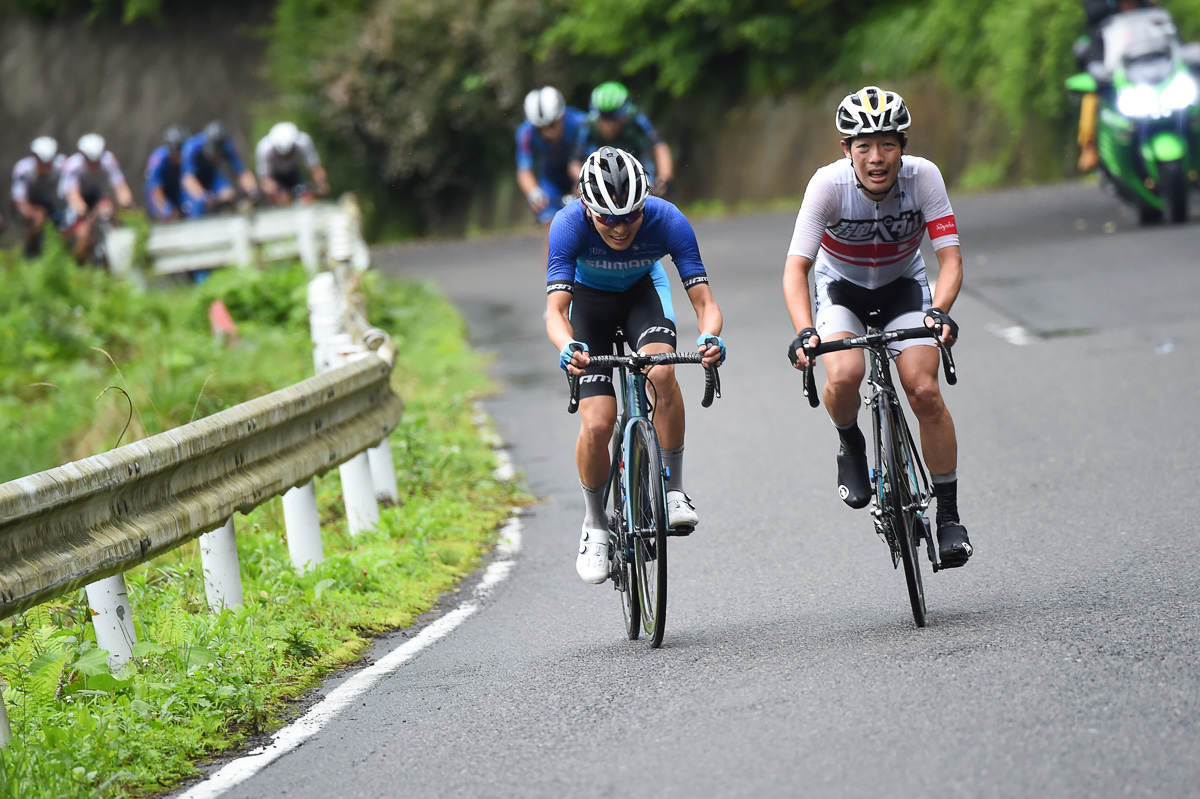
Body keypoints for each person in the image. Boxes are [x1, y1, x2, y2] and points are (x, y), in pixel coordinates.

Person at [781, 86, 972, 568]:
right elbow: (795, 269)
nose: (876, 157)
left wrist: (940, 310)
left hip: (903, 287)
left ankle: (948, 516)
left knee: (923, 390)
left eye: (887, 143)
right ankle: (850, 440)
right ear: (846, 150)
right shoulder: (827, 186)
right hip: (841, 289)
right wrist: (806, 331)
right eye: (863, 146)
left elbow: (949, 259)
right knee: (844, 376)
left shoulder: (924, 177)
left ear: (902, 146)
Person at [547, 146, 726, 584]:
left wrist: (709, 337)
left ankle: (674, 491)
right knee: (598, 422)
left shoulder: (668, 219)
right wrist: (568, 346)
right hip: (589, 306)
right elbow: (555, 311)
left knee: (662, 372)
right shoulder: (567, 225)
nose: (621, 227)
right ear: (587, 208)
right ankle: (595, 525)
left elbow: (704, 302)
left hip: (643, 296)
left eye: (631, 215)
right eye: (608, 218)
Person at [1075, 0, 1157, 171]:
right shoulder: (1103, 17)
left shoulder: (1153, 15)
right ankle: (1088, 144)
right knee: (1093, 89)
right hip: (1110, 49)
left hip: (1147, 52)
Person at [515, 86, 589, 261]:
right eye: (540, 129)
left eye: (552, 125)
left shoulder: (581, 123)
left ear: (561, 117)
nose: (547, 132)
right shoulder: (525, 133)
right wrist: (533, 192)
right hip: (551, 180)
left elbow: (592, 159)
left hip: (581, 173)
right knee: (552, 228)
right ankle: (554, 284)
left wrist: (583, 184)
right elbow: (524, 170)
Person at [570, 81, 674, 198]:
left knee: (651, 190)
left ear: (625, 113)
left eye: (614, 117)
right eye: (603, 117)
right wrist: (585, 182)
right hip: (600, 171)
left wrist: (664, 179)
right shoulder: (588, 125)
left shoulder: (637, 119)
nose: (608, 124)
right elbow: (574, 162)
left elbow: (659, 147)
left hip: (639, 168)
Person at [59, 133, 136, 263]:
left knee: (108, 209)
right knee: (84, 233)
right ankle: (76, 264)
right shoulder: (73, 166)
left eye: (98, 160)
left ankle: (114, 255)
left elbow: (121, 189)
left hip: (94, 195)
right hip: (70, 201)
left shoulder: (109, 160)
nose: (95, 164)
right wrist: (93, 215)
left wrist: (129, 208)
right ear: (83, 156)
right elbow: (76, 201)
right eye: (91, 161)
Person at [181, 120, 259, 217]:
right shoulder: (192, 148)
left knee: (228, 194)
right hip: (195, 179)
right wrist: (204, 197)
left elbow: (242, 172)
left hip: (213, 176)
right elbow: (188, 180)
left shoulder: (228, 147)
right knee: (197, 205)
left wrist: (253, 190)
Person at [11, 136, 66, 257]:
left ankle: (58, 255)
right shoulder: (23, 170)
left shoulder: (60, 166)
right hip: (26, 204)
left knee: (64, 221)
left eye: (48, 162)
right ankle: (30, 251)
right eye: (42, 162)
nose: (45, 166)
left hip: (46, 203)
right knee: (39, 218)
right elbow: (19, 201)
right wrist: (34, 214)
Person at [255, 121, 330, 206]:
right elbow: (265, 180)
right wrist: (276, 193)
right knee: (280, 200)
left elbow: (315, 168)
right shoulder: (263, 149)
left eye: (288, 153)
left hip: (294, 172)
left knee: (307, 197)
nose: (285, 157)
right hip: (275, 176)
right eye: (281, 155)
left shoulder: (304, 142)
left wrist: (321, 183)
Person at [144, 124, 190, 221]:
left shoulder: (188, 156)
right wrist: (167, 211)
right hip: (160, 192)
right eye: (178, 151)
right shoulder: (158, 160)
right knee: (168, 214)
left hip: (177, 191)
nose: (182, 155)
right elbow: (156, 191)